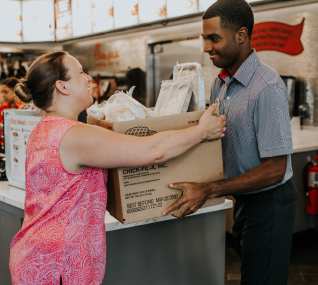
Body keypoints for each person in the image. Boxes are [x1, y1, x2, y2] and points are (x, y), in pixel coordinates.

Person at [9, 51, 226, 285]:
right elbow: (154, 150)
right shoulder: (74, 135)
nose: (89, 78)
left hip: (38, 256)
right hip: (59, 264)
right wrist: (202, 131)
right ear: (62, 87)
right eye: (81, 72)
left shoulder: (44, 128)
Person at [163, 0, 297, 284]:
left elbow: (275, 168)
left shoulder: (267, 87)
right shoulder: (220, 84)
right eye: (204, 39)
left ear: (241, 35)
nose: (206, 47)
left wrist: (209, 188)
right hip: (244, 200)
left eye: (214, 39)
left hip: (270, 202)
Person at [0, 77, 24, 146]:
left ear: (15, 91)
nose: (3, 95)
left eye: (6, 92)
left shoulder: (23, 108)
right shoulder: (2, 108)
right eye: (1, 92)